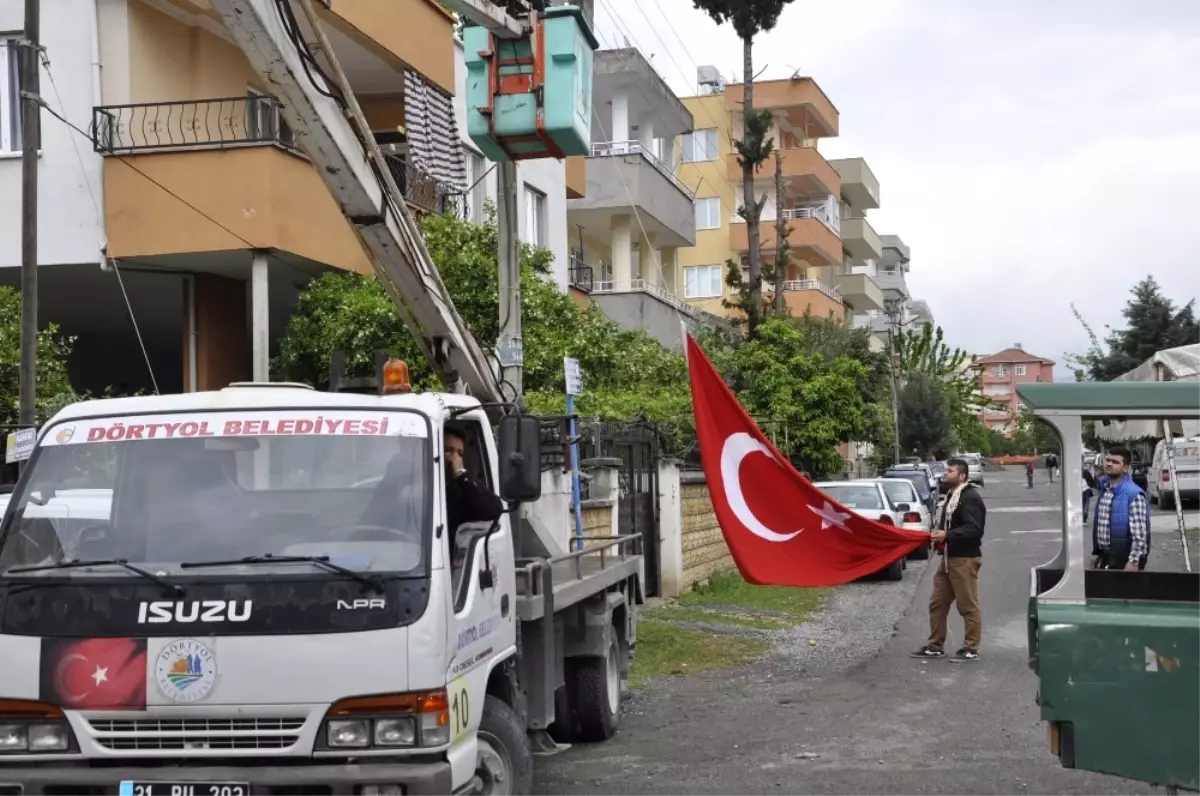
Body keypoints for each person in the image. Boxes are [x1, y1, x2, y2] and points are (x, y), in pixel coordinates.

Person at [913, 458, 986, 661]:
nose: (945, 474)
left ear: (962, 476)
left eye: (950, 471)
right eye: (946, 470)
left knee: (968, 605)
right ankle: (935, 645)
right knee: (937, 603)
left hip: (964, 559)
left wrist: (947, 535)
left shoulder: (969, 497)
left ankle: (971, 649)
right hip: (947, 558)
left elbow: (974, 529)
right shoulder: (951, 496)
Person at [1091, 446, 1150, 571]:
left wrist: (1133, 561)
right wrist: (1097, 552)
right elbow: (1101, 525)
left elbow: (1139, 534)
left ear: (1126, 468)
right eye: (1108, 460)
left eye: (1115, 462)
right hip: (1106, 556)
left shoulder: (1133, 494)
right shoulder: (1105, 489)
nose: (1109, 464)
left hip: (1125, 559)